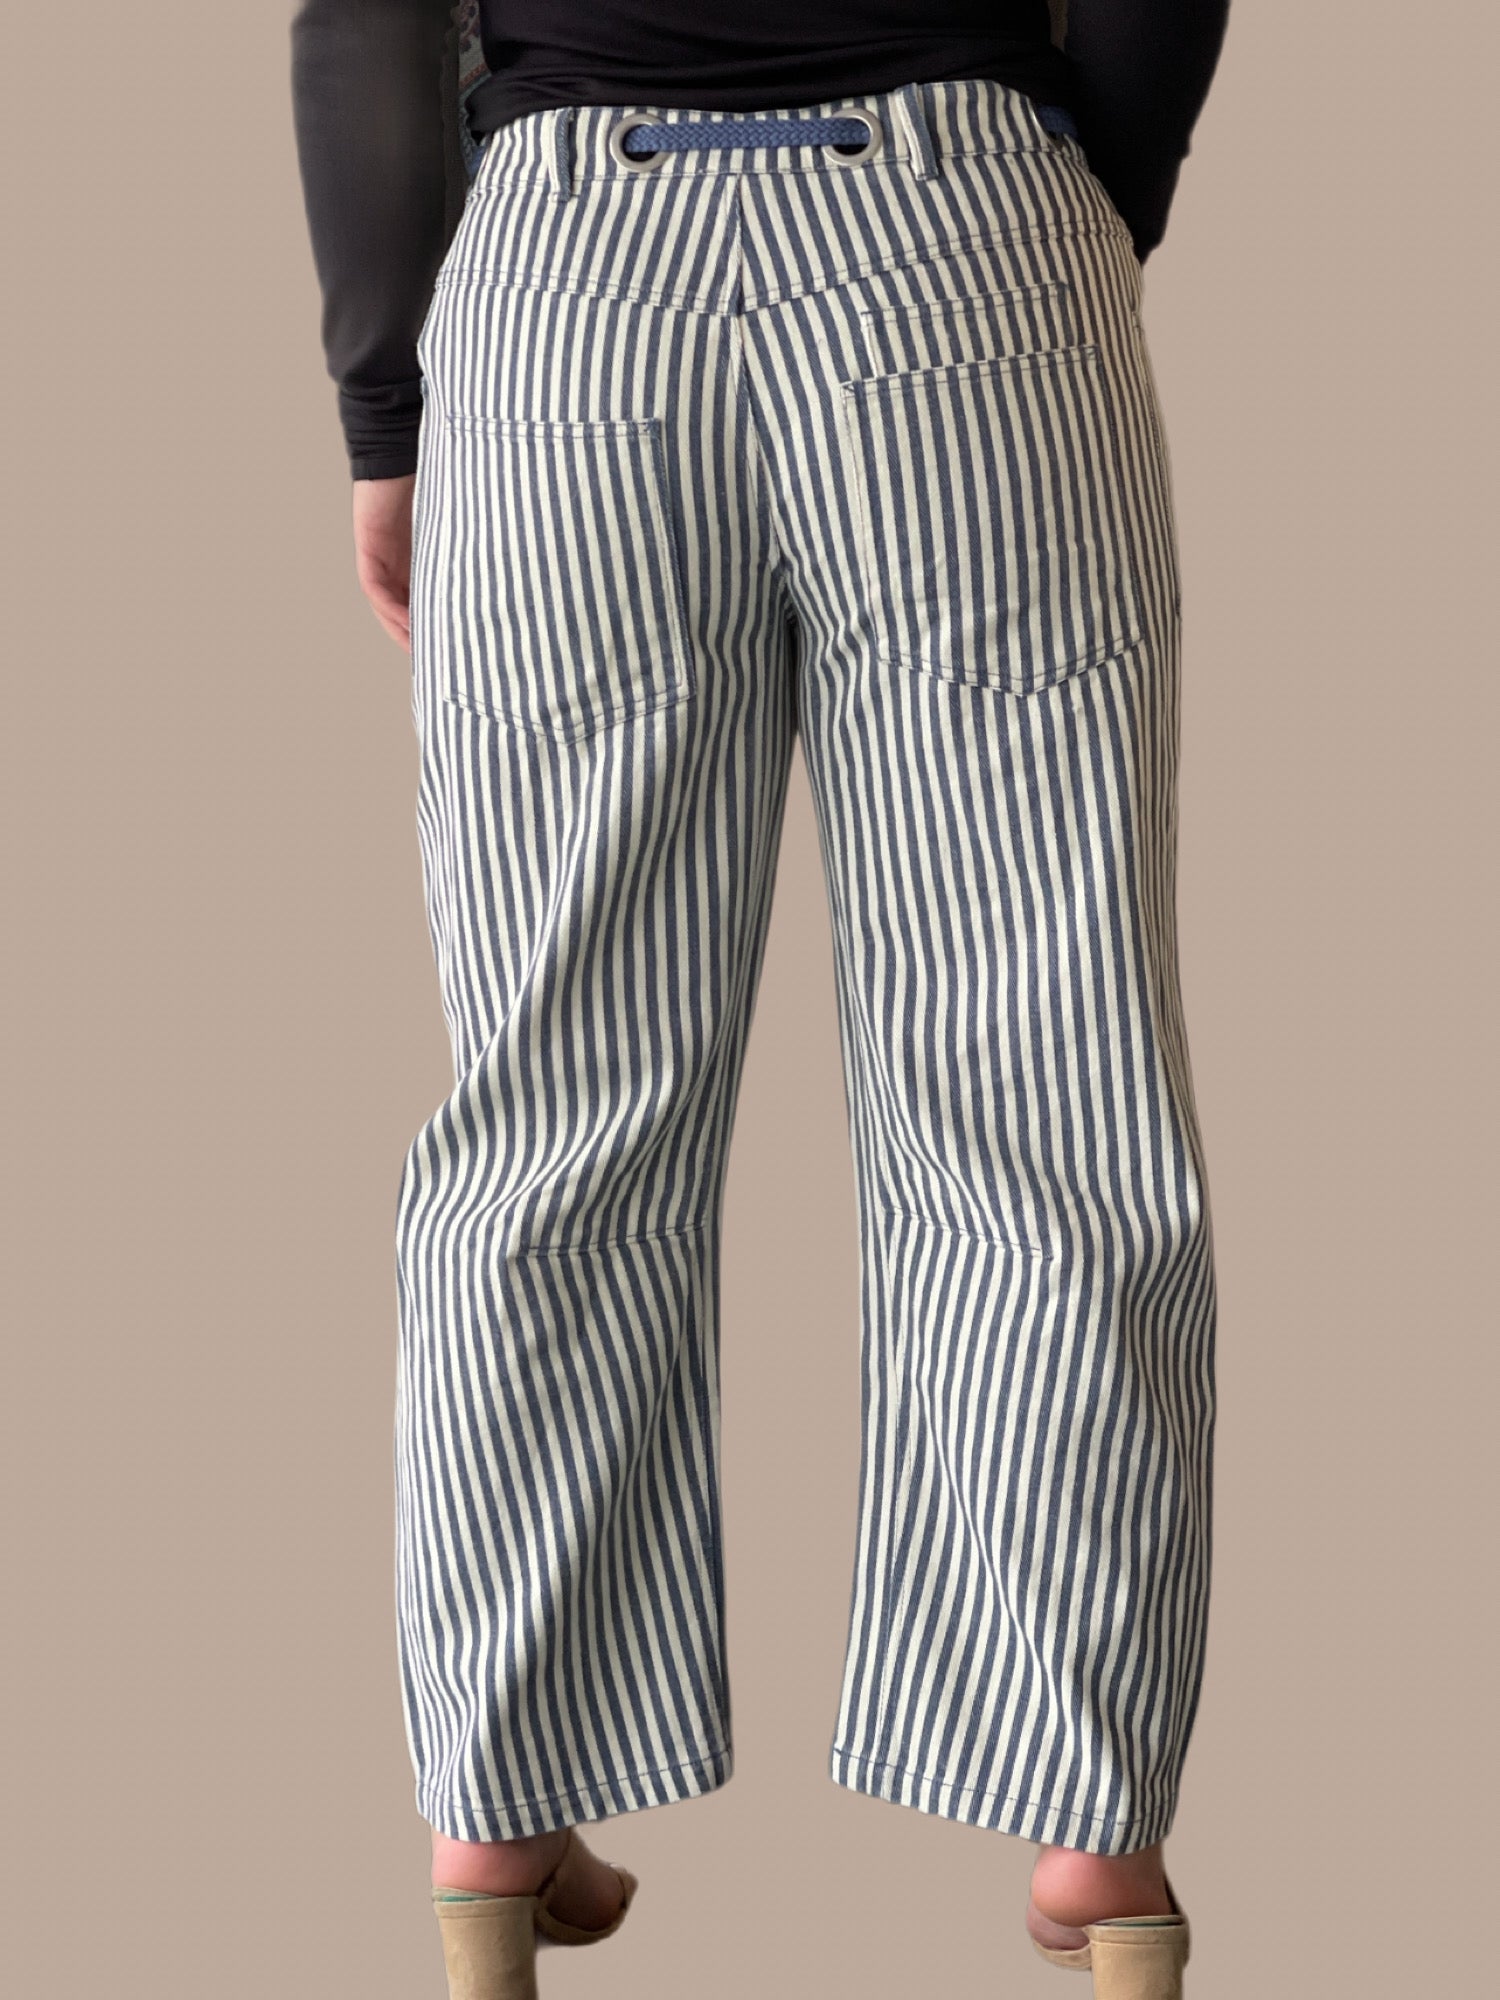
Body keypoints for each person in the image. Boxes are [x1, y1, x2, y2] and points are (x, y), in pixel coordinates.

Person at [289, 6, 1231, 1996]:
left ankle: (496, 1821)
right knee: (1042, 1083)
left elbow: (366, 16)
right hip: (966, 249)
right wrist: (1069, 210)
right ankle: (1095, 1843)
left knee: (556, 1107)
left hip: (570, 295)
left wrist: (386, 409)